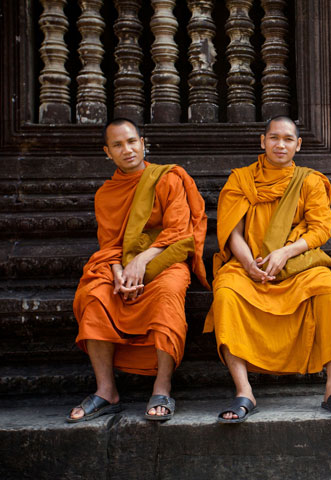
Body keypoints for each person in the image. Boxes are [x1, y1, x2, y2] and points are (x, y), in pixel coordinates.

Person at [204, 115, 331, 422]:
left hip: (297, 265)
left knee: (330, 290)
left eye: (288, 139)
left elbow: (320, 230)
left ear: (298, 145)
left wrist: (286, 252)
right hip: (250, 264)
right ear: (262, 141)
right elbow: (232, 233)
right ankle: (244, 392)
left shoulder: (310, 181)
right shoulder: (240, 180)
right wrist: (249, 264)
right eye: (274, 138)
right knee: (224, 293)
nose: (280, 144)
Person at [67, 118, 209, 423]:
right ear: (108, 152)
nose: (127, 149)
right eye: (117, 145)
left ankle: (162, 386)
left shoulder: (168, 178)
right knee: (94, 293)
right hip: (122, 262)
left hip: (166, 259)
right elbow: (109, 244)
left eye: (132, 142)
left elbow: (180, 231)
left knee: (168, 294)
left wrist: (141, 261)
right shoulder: (106, 194)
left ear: (143, 143)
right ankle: (107, 391)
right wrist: (118, 272)